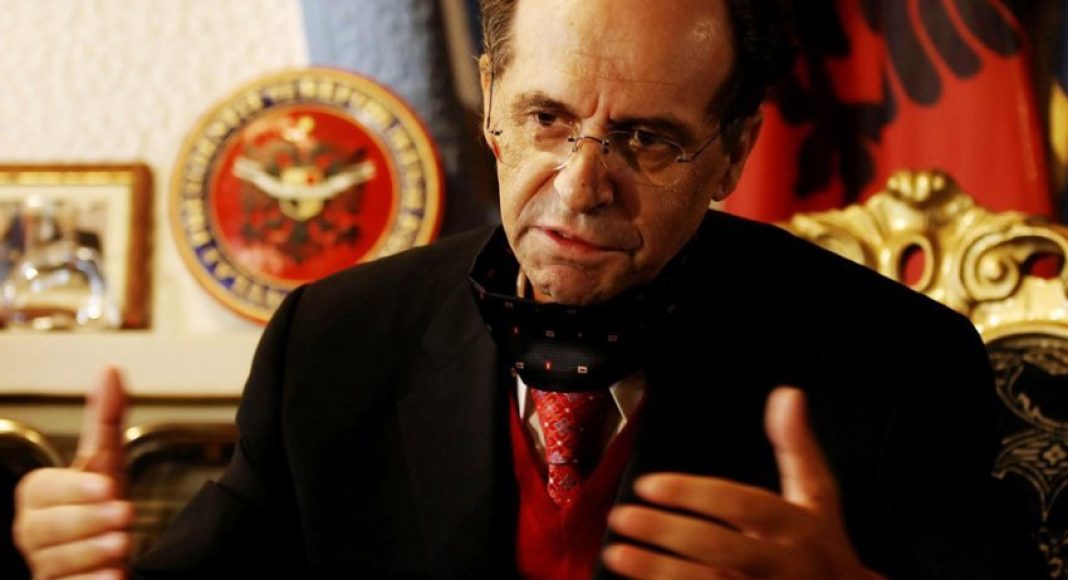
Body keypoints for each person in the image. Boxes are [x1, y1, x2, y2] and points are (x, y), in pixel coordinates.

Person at [12, 1, 1041, 578]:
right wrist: (75, 561)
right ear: (492, 106)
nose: (581, 186)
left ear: (733, 154)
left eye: (647, 138)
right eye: (548, 119)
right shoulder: (333, 339)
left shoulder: (900, 363)